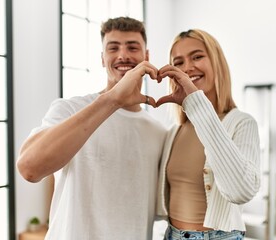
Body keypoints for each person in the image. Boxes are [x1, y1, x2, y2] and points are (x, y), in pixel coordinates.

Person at [17, 17, 167, 240]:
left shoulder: (158, 132)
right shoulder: (68, 109)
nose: (123, 55)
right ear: (102, 58)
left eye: (132, 47)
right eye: (113, 47)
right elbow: (29, 168)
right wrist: (112, 99)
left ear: (147, 57)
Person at [155, 29, 261, 239]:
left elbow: (241, 191)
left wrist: (197, 105)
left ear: (217, 62)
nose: (187, 68)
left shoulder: (241, 123)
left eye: (197, 57)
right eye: (178, 62)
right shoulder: (174, 131)